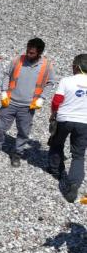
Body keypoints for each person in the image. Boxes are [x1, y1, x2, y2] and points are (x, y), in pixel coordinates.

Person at [0, 38, 55, 167]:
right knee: (0, 127)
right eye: (27, 51)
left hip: (28, 106)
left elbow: (50, 83)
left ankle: (17, 153)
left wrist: (42, 98)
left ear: (39, 53)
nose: (28, 54)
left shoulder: (47, 66)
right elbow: (7, 74)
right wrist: (4, 91)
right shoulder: (17, 60)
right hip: (10, 102)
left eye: (32, 53)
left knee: (23, 132)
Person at [48, 54, 87, 202]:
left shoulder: (67, 81)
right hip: (84, 122)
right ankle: (74, 184)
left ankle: (56, 170)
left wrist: (53, 113)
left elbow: (57, 101)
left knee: (57, 143)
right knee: (78, 155)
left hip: (65, 118)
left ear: (76, 67)